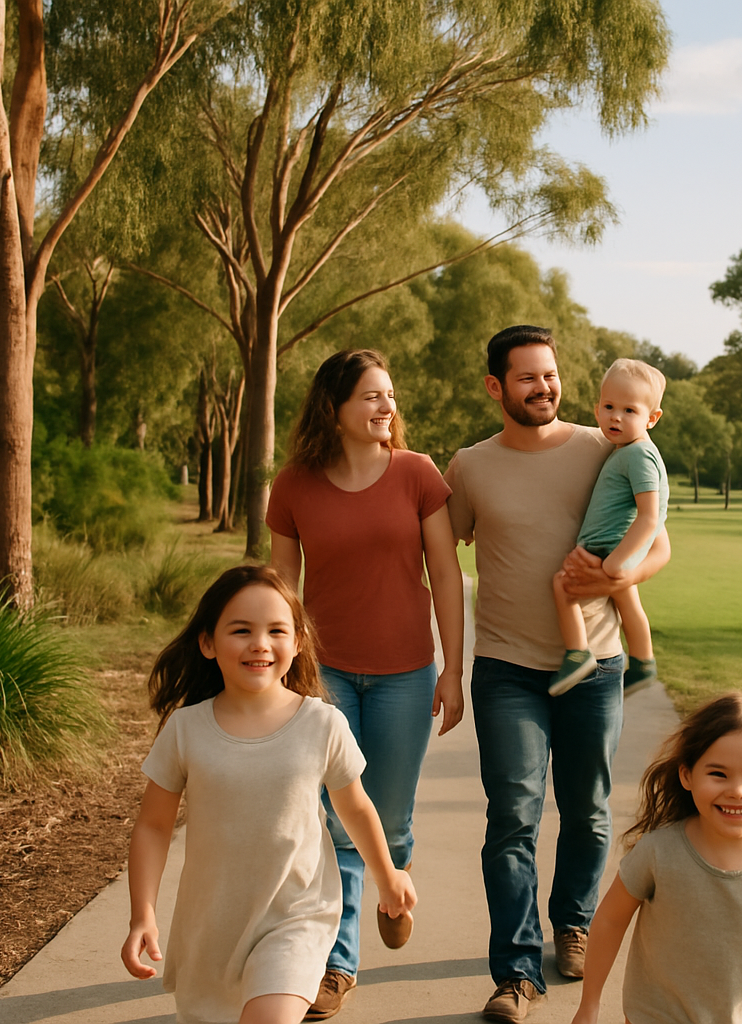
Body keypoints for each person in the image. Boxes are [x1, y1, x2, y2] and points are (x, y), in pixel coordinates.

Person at [444, 325, 671, 1024]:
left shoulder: (601, 444)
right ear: (495, 387)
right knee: (512, 815)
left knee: (589, 809)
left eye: (550, 375)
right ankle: (515, 972)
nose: (544, 388)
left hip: (595, 665)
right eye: (526, 378)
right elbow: (434, 547)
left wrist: (614, 576)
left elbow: (658, 542)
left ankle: (572, 923)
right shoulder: (470, 466)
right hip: (506, 669)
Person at [120, 565, 417, 1024]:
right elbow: (154, 826)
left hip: (297, 915)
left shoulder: (322, 725)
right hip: (212, 927)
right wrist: (143, 913)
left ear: (297, 642)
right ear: (207, 643)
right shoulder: (186, 730)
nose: (260, 643)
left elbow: (354, 806)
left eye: (276, 630)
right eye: (241, 630)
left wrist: (387, 875)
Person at [266, 348, 464, 1020]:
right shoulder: (293, 485)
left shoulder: (417, 475)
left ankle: (394, 881)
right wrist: (275, 674)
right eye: (372, 396)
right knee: (338, 819)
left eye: (390, 396)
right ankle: (339, 964)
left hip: (406, 674)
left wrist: (453, 670)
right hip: (324, 679)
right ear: (336, 408)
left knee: (392, 819)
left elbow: (447, 577)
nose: (388, 407)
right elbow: (277, 594)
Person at [570, 691, 742, 1024]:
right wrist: (590, 1004)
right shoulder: (658, 852)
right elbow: (609, 921)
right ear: (687, 774)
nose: (738, 791)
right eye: (718, 774)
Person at [549, 358, 669, 696]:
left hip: (608, 546)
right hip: (611, 546)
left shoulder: (639, 455)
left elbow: (649, 515)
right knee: (628, 601)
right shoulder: (626, 450)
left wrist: (617, 562)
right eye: (609, 406)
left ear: (652, 418)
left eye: (630, 410)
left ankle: (578, 653)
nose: (616, 416)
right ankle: (644, 662)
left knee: (562, 585)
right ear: (597, 408)